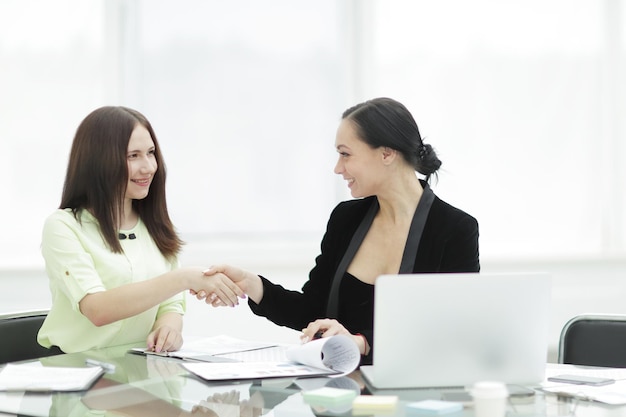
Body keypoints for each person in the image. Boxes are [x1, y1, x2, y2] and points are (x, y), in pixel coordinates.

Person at [198, 97, 479, 364]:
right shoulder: (346, 218)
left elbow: (451, 332)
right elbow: (313, 311)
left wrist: (362, 343)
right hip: (340, 392)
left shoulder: (455, 230)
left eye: (345, 154)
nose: (337, 168)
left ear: (387, 154)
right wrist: (252, 284)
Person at [37, 106, 245, 354]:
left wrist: (168, 329)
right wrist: (185, 277)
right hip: (77, 370)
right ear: (98, 161)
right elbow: (97, 309)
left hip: (139, 369)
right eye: (133, 156)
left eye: (150, 153)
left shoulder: (154, 225)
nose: (148, 167)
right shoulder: (63, 227)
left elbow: (170, 305)